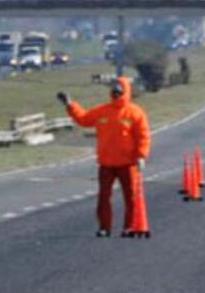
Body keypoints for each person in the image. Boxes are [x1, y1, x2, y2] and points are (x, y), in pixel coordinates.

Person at [57, 76, 150, 238]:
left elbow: (143, 136)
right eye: (113, 91)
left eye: (119, 91)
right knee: (103, 197)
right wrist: (70, 104)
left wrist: (141, 155)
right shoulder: (102, 110)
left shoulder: (135, 112)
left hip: (127, 164)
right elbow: (84, 119)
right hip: (106, 163)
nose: (115, 94)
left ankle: (129, 226)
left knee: (131, 198)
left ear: (126, 92)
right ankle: (104, 227)